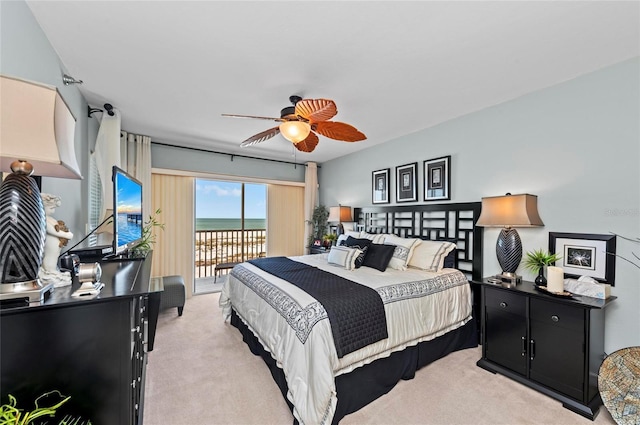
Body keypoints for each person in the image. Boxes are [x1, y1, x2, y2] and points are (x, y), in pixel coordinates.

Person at [39, 193, 74, 286]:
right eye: (51, 208)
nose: (53, 211)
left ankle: (53, 271)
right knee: (50, 257)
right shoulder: (42, 220)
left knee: (54, 257)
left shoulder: (50, 219)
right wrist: (67, 235)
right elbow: (53, 231)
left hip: (57, 246)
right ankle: (49, 271)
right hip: (49, 246)